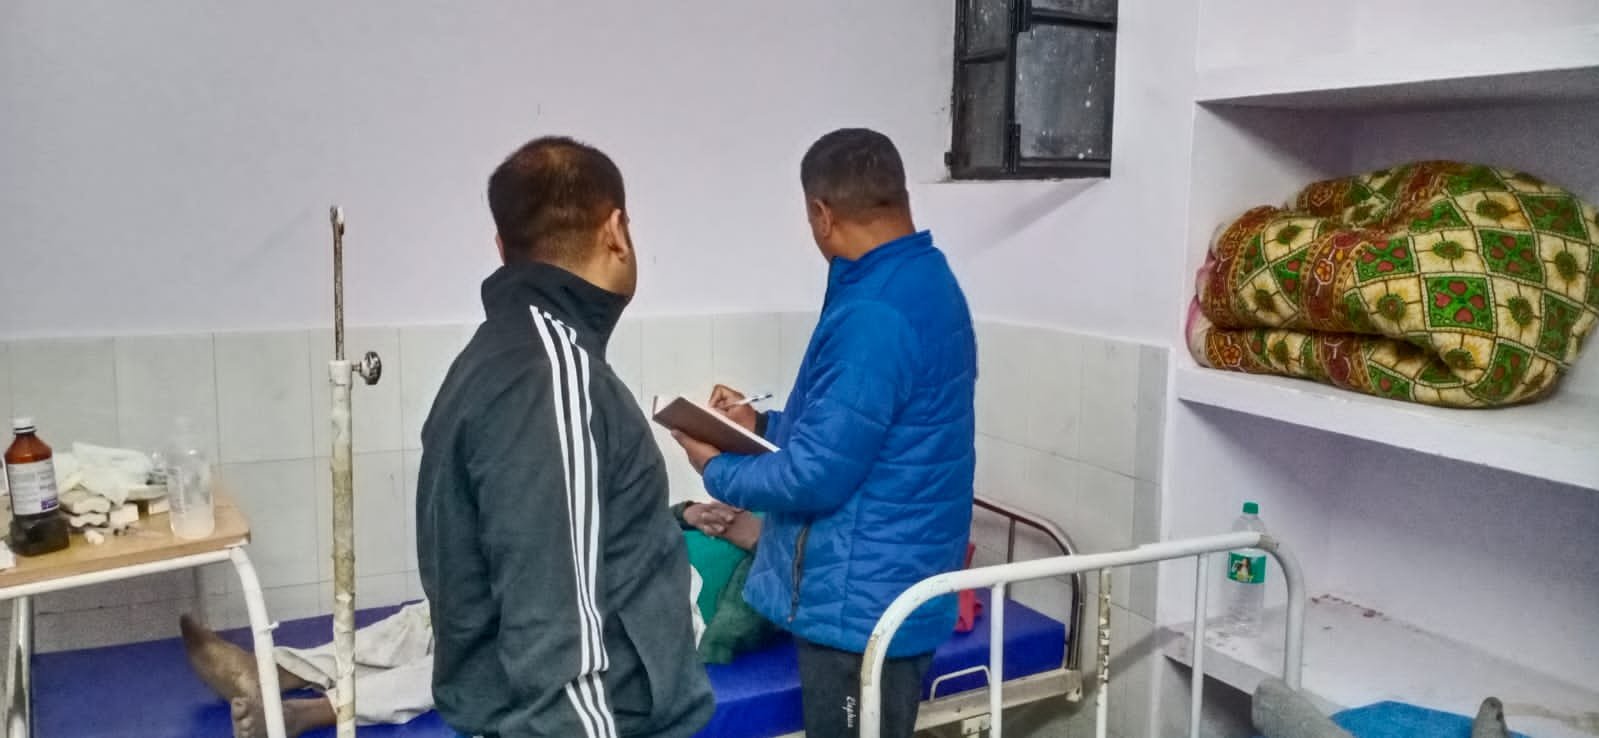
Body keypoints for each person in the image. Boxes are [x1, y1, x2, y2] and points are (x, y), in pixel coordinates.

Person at [671, 128, 977, 738]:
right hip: (885, 587)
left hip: (861, 609)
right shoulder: (924, 282)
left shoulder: (874, 313)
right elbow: (854, 432)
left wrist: (714, 466)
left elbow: (816, 474)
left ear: (822, 212)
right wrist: (758, 426)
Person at [416, 136, 713, 738]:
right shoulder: (550, 376)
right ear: (616, 231)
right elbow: (555, 640)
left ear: (502, 248)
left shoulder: (496, 360)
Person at [177, 502, 753, 738]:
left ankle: (315, 710)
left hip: (650, 622)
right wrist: (689, 511)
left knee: (486, 660)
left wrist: (752, 538)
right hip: (612, 577)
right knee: (441, 616)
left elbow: (733, 628)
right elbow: (646, 513)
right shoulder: (739, 507)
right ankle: (279, 670)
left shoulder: (772, 556)